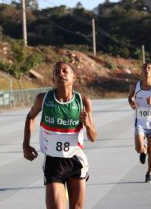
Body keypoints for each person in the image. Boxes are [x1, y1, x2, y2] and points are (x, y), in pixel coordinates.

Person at [23, 61, 97, 209]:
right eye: (56, 72)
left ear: (73, 77)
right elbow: (30, 117)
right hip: (53, 163)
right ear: (53, 79)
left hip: (75, 161)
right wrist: (26, 144)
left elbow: (93, 137)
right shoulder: (43, 99)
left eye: (64, 71)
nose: (60, 74)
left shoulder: (83, 102)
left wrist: (88, 124)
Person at [128, 63, 151, 183]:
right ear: (141, 73)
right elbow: (129, 97)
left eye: (149, 68)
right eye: (144, 68)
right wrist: (132, 103)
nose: (147, 70)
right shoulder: (135, 86)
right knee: (138, 148)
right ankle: (142, 151)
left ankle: (149, 173)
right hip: (140, 121)